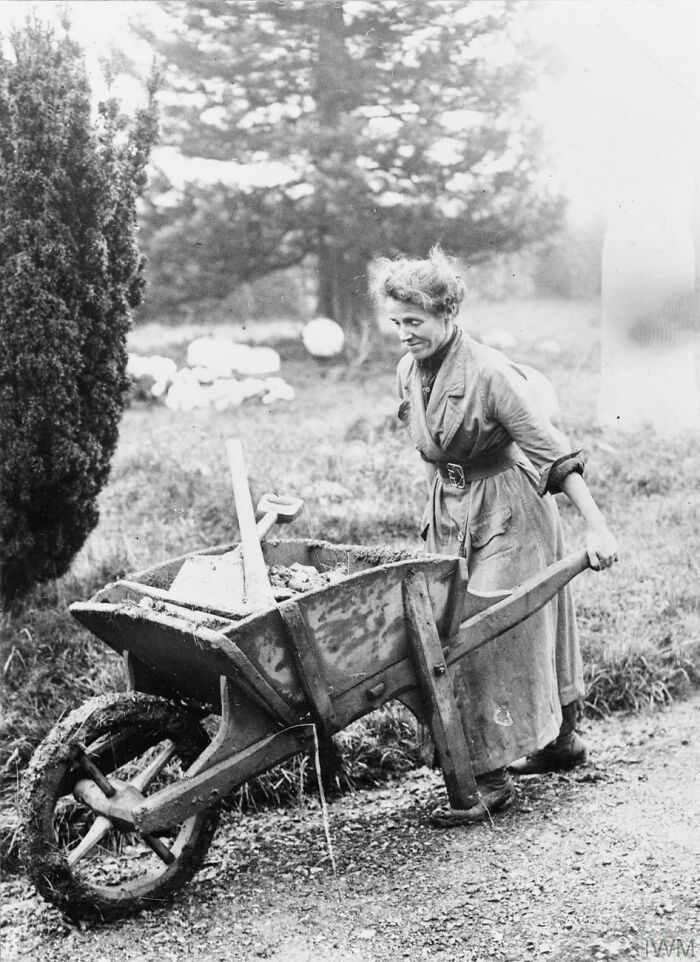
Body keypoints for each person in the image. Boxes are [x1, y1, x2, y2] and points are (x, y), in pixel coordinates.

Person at [374, 246, 619, 826]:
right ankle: (560, 743)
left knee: (486, 632)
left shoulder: (490, 372)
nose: (405, 334)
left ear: (448, 315)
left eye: (416, 322)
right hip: (451, 513)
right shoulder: (410, 368)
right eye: (397, 323)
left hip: (512, 507)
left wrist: (598, 525)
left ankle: (487, 779)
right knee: (466, 626)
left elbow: (554, 455)